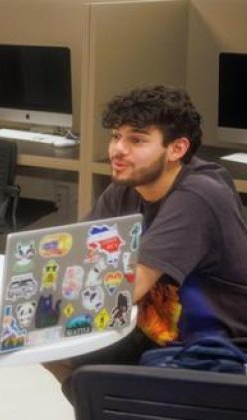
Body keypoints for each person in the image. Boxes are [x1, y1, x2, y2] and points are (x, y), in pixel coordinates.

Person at [44, 85, 247, 394]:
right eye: (115, 136)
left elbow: (127, 288)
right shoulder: (128, 186)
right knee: (49, 350)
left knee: (61, 349)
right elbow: (78, 258)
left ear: (177, 149)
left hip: (214, 348)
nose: (118, 150)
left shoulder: (200, 195)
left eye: (136, 140)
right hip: (153, 329)